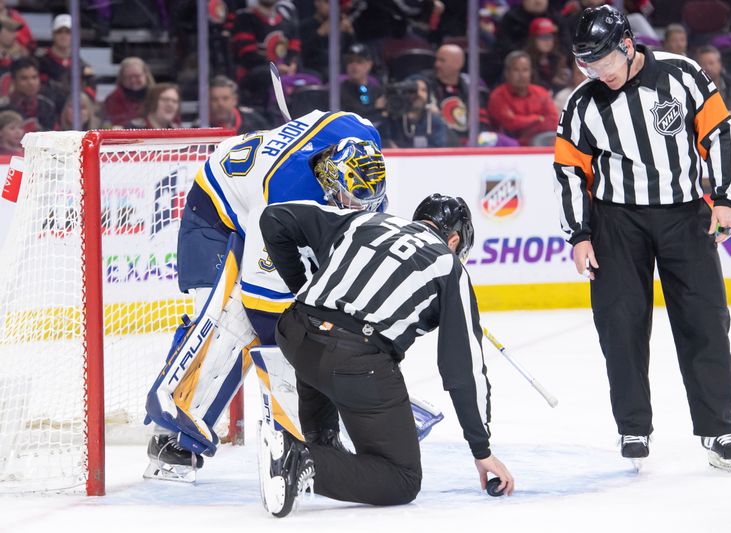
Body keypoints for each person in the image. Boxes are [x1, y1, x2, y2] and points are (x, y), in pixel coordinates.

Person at [553, 5, 731, 472]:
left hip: (686, 216)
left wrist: (723, 197)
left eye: (601, 61)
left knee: (705, 319)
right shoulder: (584, 103)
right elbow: (568, 172)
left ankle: (718, 426)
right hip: (616, 222)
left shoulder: (682, 74)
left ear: (627, 45)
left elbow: (719, 130)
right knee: (620, 324)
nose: (596, 71)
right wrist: (579, 235)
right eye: (586, 64)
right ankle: (633, 426)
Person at [142, 110, 388, 482]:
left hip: (261, 182)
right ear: (327, 181)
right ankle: (171, 436)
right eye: (350, 202)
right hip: (215, 214)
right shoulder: (282, 199)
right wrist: (312, 353)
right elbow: (263, 310)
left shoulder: (363, 136)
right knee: (226, 324)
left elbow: (330, 117)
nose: (360, 212)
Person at [258, 194, 514, 517]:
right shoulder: (449, 267)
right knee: (403, 478)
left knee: (324, 364)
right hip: (351, 358)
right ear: (453, 240)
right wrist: (482, 448)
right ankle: (299, 459)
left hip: (295, 332)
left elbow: (274, 218)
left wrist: (304, 288)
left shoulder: (364, 220)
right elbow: (462, 369)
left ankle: (317, 450)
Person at [487, 50, 559, 146]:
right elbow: (510, 124)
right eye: (516, 70)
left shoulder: (541, 93)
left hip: (538, 143)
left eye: (525, 70)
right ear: (507, 73)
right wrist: (537, 119)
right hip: (507, 146)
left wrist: (526, 124)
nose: (521, 75)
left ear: (530, 72)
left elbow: (553, 121)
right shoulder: (498, 96)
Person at [380, 77, 450, 148]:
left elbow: (439, 150)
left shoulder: (434, 122)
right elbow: (382, 142)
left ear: (429, 96)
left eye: (423, 90)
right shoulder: (393, 119)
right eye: (413, 91)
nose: (418, 94)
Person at [4, 57, 56, 132]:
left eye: (34, 77)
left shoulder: (47, 106)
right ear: (13, 81)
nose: (31, 83)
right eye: (24, 78)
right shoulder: (4, 108)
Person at [206, 75, 272, 133]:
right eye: (214, 99)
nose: (220, 104)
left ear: (235, 100)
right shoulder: (200, 126)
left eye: (225, 98)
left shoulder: (256, 123)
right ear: (208, 102)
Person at [695, 45, 731, 119]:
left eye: (711, 63)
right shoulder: (692, 88)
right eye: (703, 64)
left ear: (720, 64)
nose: (708, 68)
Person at [101, 57, 155, 127]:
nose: (133, 80)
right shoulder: (113, 100)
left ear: (146, 74)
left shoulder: (157, 96)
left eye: (137, 76)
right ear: (121, 78)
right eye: (128, 77)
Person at [339, 43, 385, 124]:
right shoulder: (339, 92)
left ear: (369, 64)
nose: (354, 65)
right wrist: (376, 108)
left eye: (359, 61)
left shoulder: (378, 91)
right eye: (350, 61)